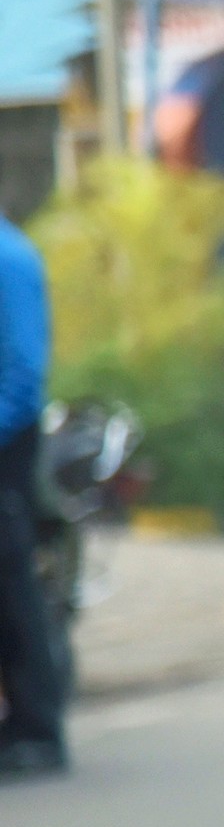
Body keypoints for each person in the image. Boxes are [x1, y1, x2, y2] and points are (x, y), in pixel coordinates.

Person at [0, 179, 64, 777]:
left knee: (10, 585)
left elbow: (22, 372)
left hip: (7, 443)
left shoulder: (10, 258)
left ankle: (38, 729)